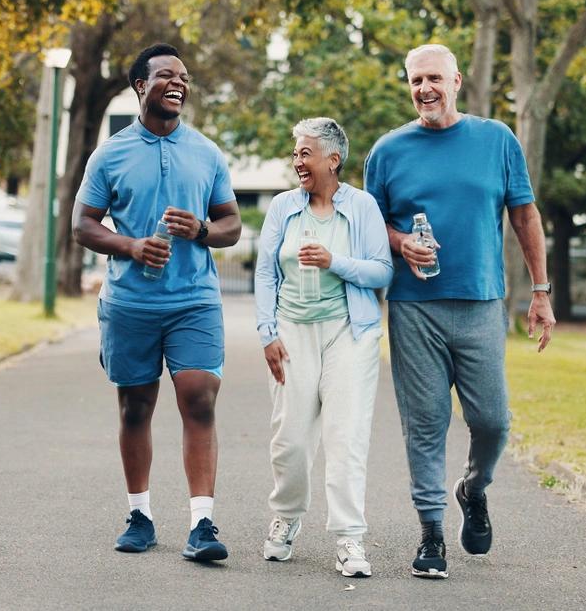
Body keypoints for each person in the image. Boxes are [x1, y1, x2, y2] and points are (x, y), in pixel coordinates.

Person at [364, 44, 556, 579]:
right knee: (425, 425)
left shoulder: (496, 140)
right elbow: (366, 222)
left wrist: (540, 291)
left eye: (433, 78)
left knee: (492, 421)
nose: (424, 89)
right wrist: (402, 242)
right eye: (414, 80)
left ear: (457, 81)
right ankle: (431, 534)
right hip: (414, 309)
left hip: (480, 304)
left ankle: (473, 487)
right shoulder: (387, 151)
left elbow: (523, 214)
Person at [72, 43, 242, 561]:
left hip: (194, 300)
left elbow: (231, 225)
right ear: (140, 86)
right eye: (166, 75)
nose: (178, 83)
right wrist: (130, 245)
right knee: (135, 408)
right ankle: (140, 515)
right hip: (131, 303)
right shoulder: (111, 154)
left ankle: (203, 524)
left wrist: (204, 229)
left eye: (184, 77)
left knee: (198, 398)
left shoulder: (207, 153)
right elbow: (82, 224)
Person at [254, 118, 392, 577]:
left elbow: (381, 271)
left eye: (305, 153)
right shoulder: (281, 208)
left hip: (348, 331)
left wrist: (337, 263)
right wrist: (267, 332)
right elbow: (265, 274)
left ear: (333, 159)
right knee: (290, 439)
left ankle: (349, 539)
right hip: (292, 332)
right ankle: (287, 518)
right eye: (295, 153)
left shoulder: (363, 207)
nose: (297, 161)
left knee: (345, 436)